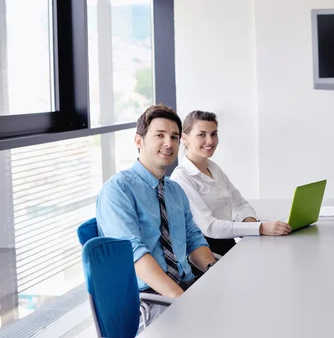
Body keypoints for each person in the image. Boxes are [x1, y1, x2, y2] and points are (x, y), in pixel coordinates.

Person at [96, 104, 217, 326]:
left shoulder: (174, 190)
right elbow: (134, 255)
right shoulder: (118, 190)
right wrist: (182, 299)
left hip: (186, 285)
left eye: (174, 137)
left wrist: (215, 274)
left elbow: (193, 238)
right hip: (151, 300)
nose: (168, 143)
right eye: (159, 135)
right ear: (139, 141)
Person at [170, 110, 291, 256]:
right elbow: (210, 227)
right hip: (207, 252)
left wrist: (250, 223)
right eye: (202, 134)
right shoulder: (181, 177)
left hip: (228, 244)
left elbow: (240, 203)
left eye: (214, 134)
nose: (210, 141)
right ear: (184, 138)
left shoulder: (214, 168)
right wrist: (260, 228)